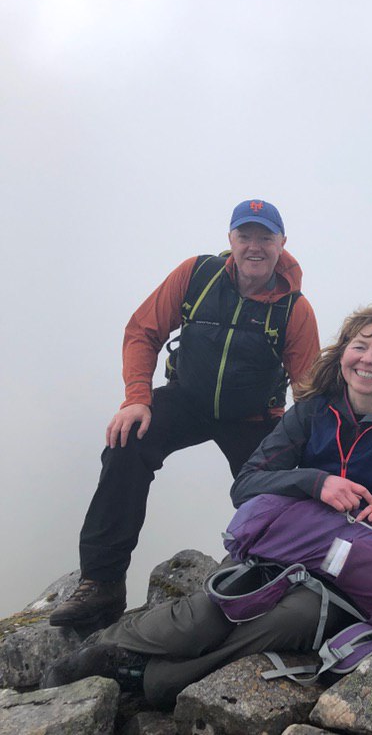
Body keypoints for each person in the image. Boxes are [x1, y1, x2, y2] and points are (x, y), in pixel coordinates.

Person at [44, 306, 372, 708]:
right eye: (359, 347)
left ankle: (152, 678)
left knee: (288, 621)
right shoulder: (312, 411)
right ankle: (106, 649)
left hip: (351, 567)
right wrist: (315, 482)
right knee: (207, 615)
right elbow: (247, 485)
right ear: (342, 356)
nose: (367, 360)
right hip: (287, 544)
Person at [49, 199, 320, 629]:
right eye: (244, 235)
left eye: (265, 237)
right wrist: (137, 397)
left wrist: (312, 458)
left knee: (273, 496)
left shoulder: (294, 309)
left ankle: (269, 583)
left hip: (255, 419)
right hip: (186, 400)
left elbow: (308, 391)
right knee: (126, 443)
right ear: (230, 239)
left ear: (281, 243)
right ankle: (101, 584)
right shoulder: (197, 275)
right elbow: (143, 330)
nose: (254, 246)